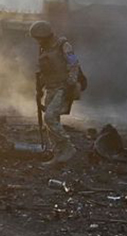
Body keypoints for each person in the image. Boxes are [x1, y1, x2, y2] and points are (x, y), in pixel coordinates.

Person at [31, 20, 86, 166]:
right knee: (50, 121)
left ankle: (68, 148)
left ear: (45, 36)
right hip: (50, 87)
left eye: (39, 38)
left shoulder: (63, 45)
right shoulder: (44, 49)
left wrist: (71, 82)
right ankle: (58, 154)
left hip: (63, 87)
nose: (37, 41)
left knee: (49, 117)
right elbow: (44, 71)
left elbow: (73, 63)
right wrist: (39, 89)